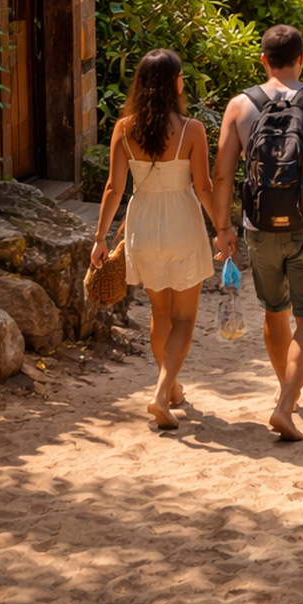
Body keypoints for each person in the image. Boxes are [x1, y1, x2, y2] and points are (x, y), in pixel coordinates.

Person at [213, 23, 303, 442]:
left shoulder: (240, 106)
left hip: (258, 226)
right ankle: (284, 402)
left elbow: (222, 175)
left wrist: (223, 227)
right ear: (302, 59)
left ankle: (287, 393)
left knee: (274, 311)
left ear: (263, 60)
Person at [91, 49, 217, 429]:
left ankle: (172, 386)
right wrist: (223, 228)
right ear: (176, 83)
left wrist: (99, 238)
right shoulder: (192, 130)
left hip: (142, 225)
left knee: (160, 313)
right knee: (185, 318)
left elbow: (114, 188)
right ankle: (163, 394)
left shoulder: (124, 129)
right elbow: (205, 186)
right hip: (182, 222)